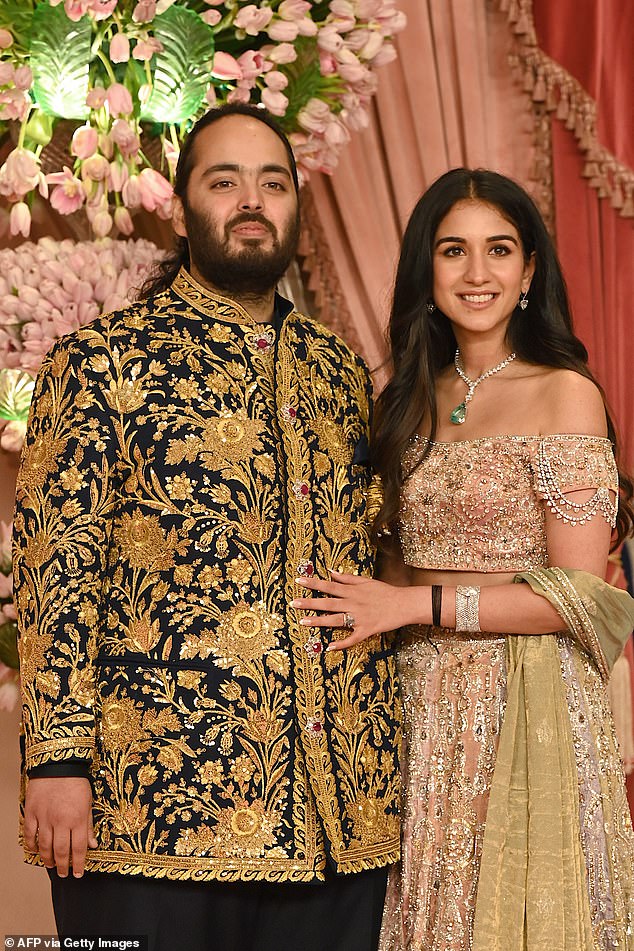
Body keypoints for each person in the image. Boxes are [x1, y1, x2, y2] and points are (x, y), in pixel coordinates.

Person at [13, 103, 401, 951]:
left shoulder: (338, 370)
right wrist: (55, 759)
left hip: (338, 813)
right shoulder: (104, 359)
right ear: (185, 207)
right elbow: (55, 566)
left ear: (297, 204)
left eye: (272, 182)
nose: (251, 200)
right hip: (150, 807)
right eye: (224, 181)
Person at [292, 168, 634, 950]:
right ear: (427, 269)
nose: (477, 273)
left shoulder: (563, 392)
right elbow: (391, 563)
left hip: (527, 696)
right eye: (454, 251)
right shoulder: (406, 399)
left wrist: (415, 606)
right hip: (417, 704)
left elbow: (578, 594)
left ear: (529, 272)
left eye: (499, 250)